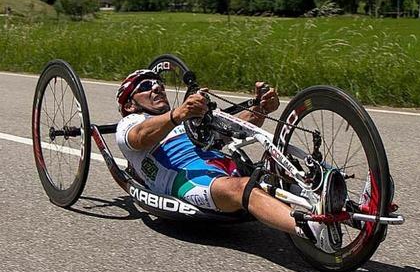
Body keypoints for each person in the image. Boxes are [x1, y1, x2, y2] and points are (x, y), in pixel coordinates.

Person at [115, 69, 344, 253]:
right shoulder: (130, 122)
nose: (157, 87)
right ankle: (311, 230)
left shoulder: (185, 119)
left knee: (278, 165)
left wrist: (261, 107)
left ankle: (344, 201)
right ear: (129, 104)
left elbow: (233, 126)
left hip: (222, 165)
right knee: (242, 188)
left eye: (159, 85)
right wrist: (178, 114)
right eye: (145, 86)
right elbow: (140, 137)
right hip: (187, 180)